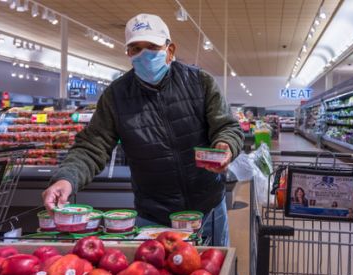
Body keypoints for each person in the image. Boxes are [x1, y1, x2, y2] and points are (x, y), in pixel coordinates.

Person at [41, 14, 243, 246]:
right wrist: (66, 179)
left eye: (152, 47)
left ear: (170, 49)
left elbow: (227, 126)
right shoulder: (116, 96)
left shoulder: (200, 82)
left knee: (213, 270)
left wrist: (225, 146)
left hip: (207, 210)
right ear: (128, 53)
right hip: (154, 218)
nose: (144, 55)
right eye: (135, 49)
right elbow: (91, 146)